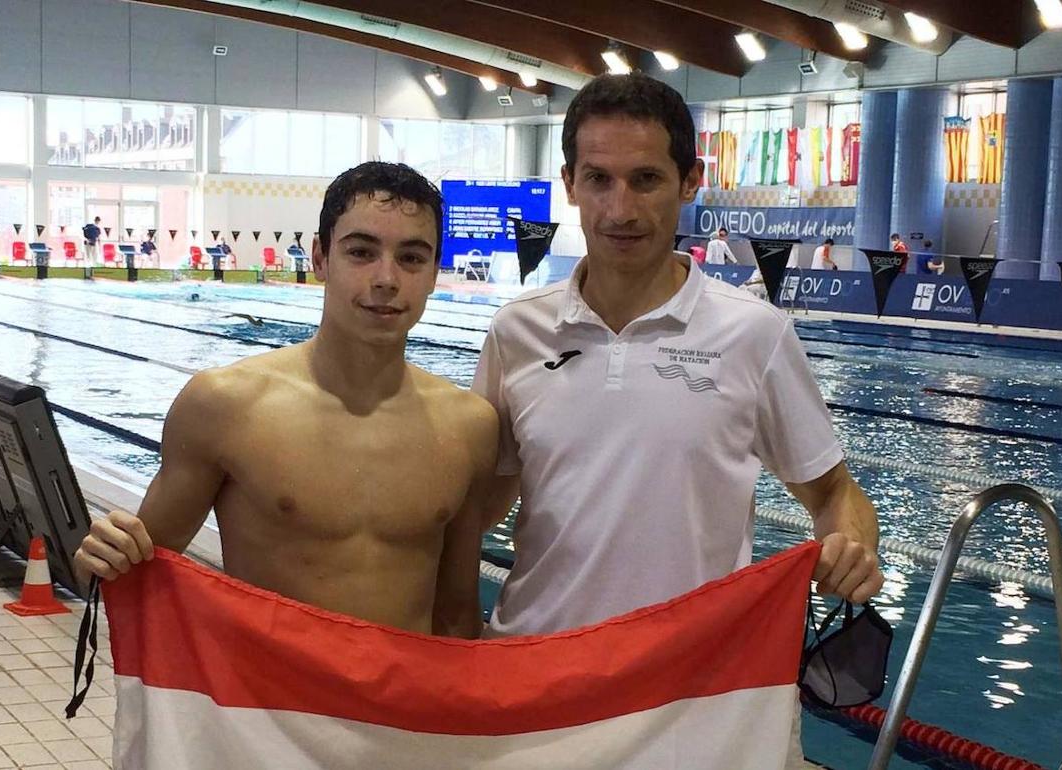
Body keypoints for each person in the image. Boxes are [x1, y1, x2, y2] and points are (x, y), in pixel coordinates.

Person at [471, 73, 882, 764]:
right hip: (538, 672)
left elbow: (833, 492)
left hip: (693, 693)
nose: (620, 208)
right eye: (598, 180)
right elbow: (477, 505)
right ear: (569, 183)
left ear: (690, 181)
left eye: (646, 180)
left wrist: (852, 545)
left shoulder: (754, 334)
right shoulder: (517, 331)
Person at [73, 162, 497, 638]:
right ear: (320, 258)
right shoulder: (227, 405)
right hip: (263, 686)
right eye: (361, 252)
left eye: (412, 258)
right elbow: (130, 578)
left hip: (402, 687)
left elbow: (458, 616)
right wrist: (98, 560)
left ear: (435, 272)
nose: (387, 278)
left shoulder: (468, 427)